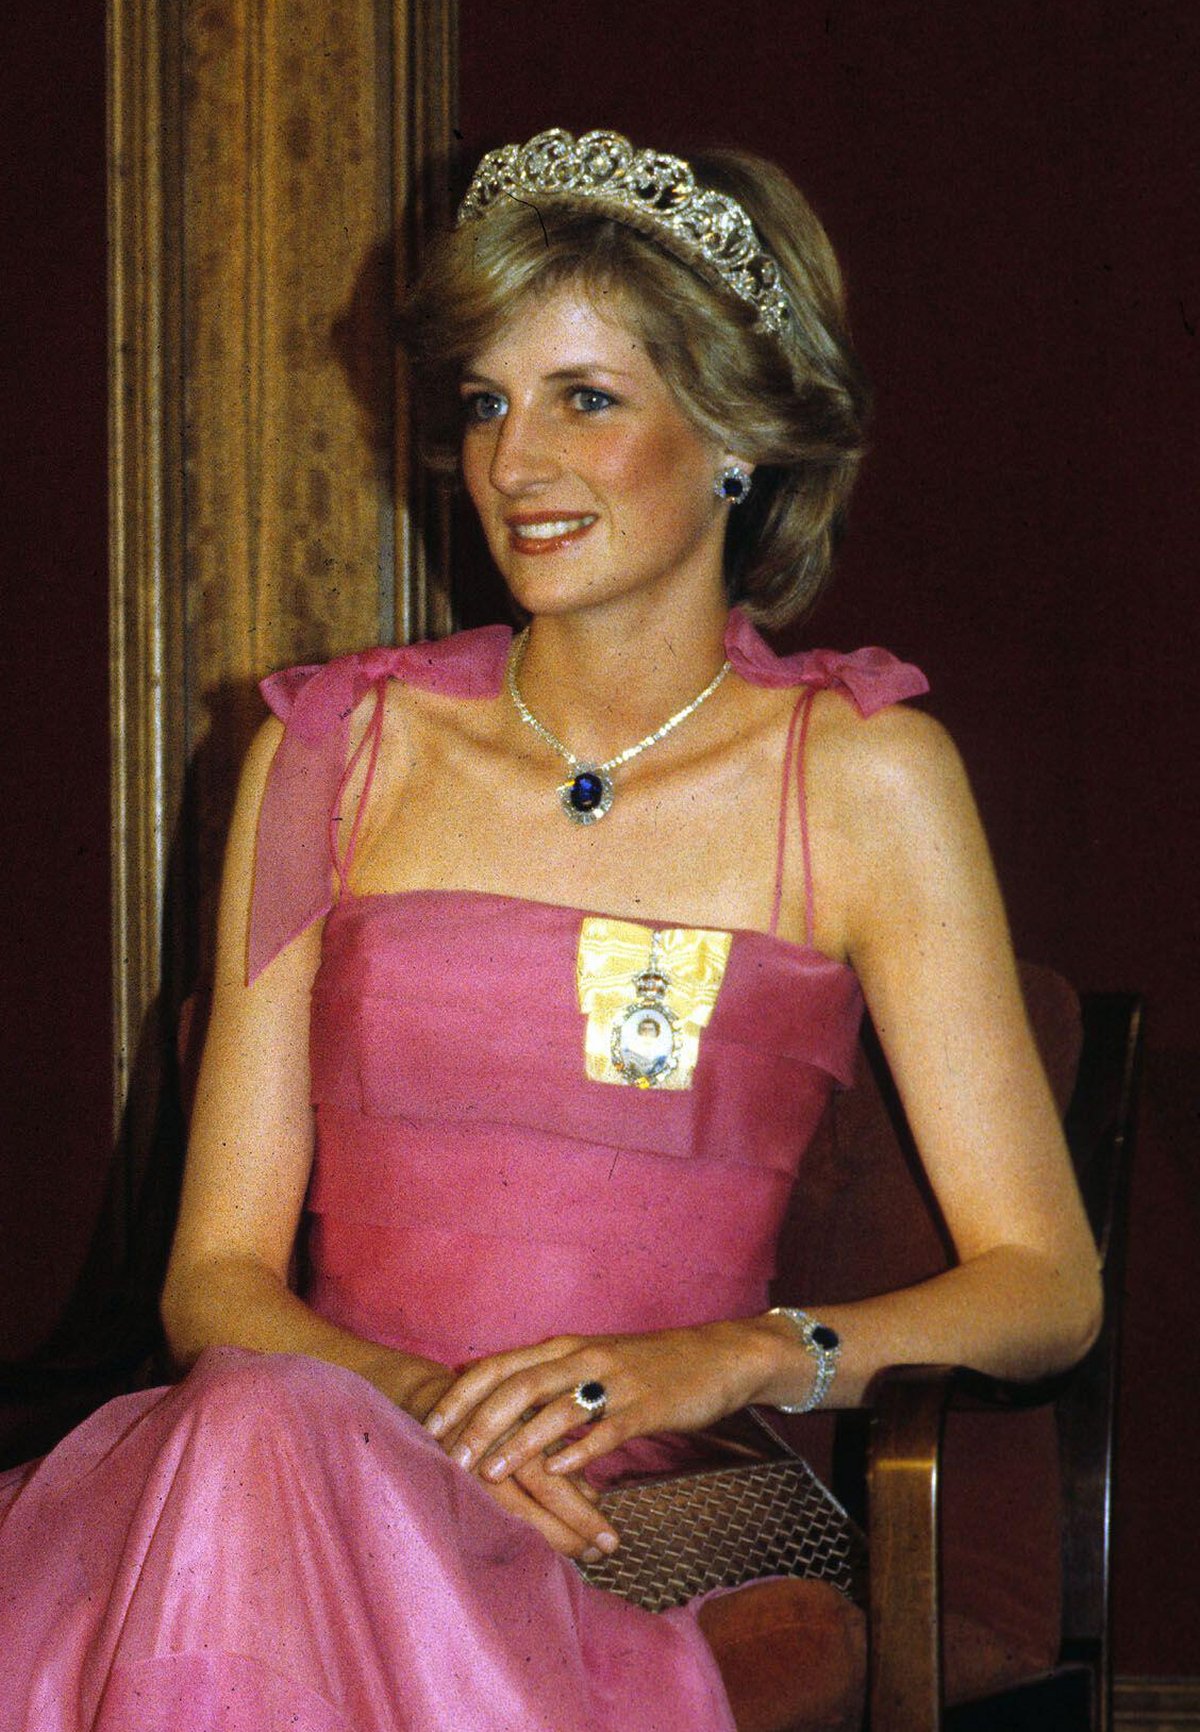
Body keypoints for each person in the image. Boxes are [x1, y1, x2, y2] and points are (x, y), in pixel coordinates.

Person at [0, 129, 1101, 1732]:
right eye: (487, 401)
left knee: (253, 1470)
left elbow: (1044, 1283)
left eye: (587, 397)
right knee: (250, 1436)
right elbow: (217, 1280)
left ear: (734, 430)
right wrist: (429, 1431)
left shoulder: (864, 776)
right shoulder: (334, 750)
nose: (516, 462)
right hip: (316, 1453)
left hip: (648, 1517)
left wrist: (732, 1357)